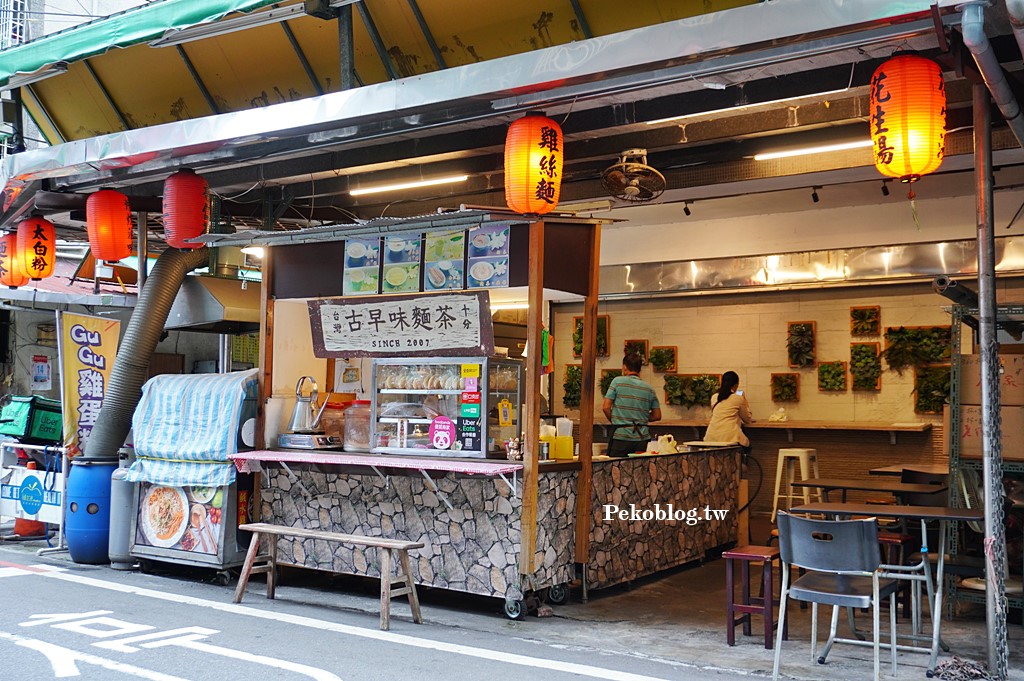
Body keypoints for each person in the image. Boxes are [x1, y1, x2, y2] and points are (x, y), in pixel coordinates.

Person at [602, 353, 661, 457]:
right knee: (638, 469)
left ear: (624, 367)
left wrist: (617, 421)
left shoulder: (617, 382)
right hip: (642, 437)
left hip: (621, 436)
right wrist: (641, 417)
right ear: (639, 369)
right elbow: (657, 416)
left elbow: (606, 407)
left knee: (616, 469)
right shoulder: (649, 388)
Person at [704, 370, 753, 455]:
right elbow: (747, 419)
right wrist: (744, 401)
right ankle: (740, 467)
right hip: (730, 438)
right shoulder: (738, 398)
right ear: (735, 385)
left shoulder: (714, 397)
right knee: (748, 448)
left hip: (711, 437)